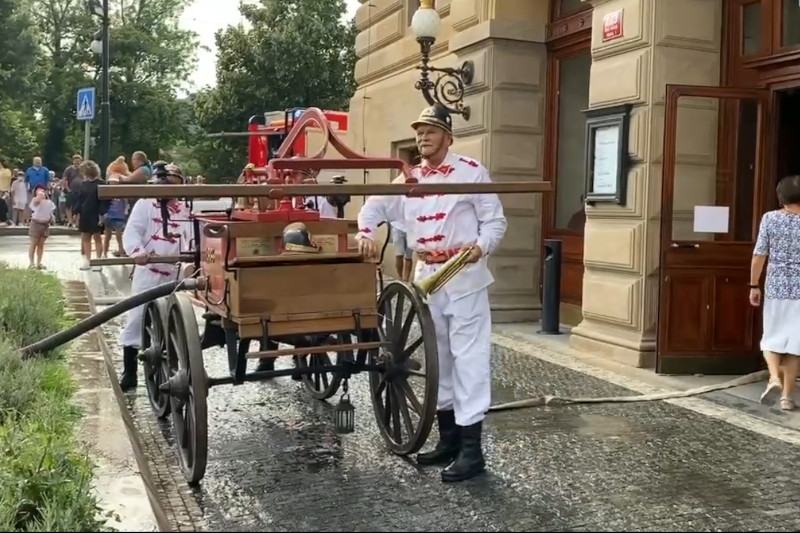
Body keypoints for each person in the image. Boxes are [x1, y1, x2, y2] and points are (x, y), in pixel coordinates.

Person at [354, 103, 507, 482]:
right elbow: (372, 209)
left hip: (466, 277)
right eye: (419, 132)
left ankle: (473, 453)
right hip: (428, 278)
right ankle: (448, 441)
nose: (423, 137)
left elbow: (495, 220)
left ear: (448, 136)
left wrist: (481, 247)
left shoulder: (472, 172)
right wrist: (365, 233)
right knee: (439, 359)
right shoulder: (407, 179)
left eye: (431, 131)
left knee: (469, 359)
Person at [118, 163, 194, 391]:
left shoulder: (185, 209)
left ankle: (171, 369)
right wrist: (137, 251)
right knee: (137, 318)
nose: (170, 189)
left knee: (173, 321)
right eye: (167, 184)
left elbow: (192, 237)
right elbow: (132, 231)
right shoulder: (145, 204)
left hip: (175, 273)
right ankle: (129, 371)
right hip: (148, 272)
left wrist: (191, 262)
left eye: (175, 185)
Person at [750, 175, 800, 411]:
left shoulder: (770, 219)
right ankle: (787, 399)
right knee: (795, 344)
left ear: (781, 197)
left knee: (772, 336)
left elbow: (760, 254)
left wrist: (753, 284)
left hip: (777, 287)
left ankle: (773, 378)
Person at [75, 161, 107, 271]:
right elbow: (80, 199)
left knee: (97, 237)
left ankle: (98, 261)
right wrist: (76, 212)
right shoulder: (84, 184)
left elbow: (104, 201)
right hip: (85, 213)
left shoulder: (101, 183)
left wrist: (102, 214)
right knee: (85, 237)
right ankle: (87, 261)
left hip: (96, 213)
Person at [27, 184, 56, 269]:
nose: (41, 192)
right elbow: (35, 204)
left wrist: (51, 218)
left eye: (43, 190)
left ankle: (39, 262)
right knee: (33, 243)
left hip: (45, 224)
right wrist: (39, 197)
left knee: (41, 244)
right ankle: (31, 263)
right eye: (38, 190)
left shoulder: (49, 202)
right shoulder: (34, 200)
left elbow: (50, 211)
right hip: (36, 223)